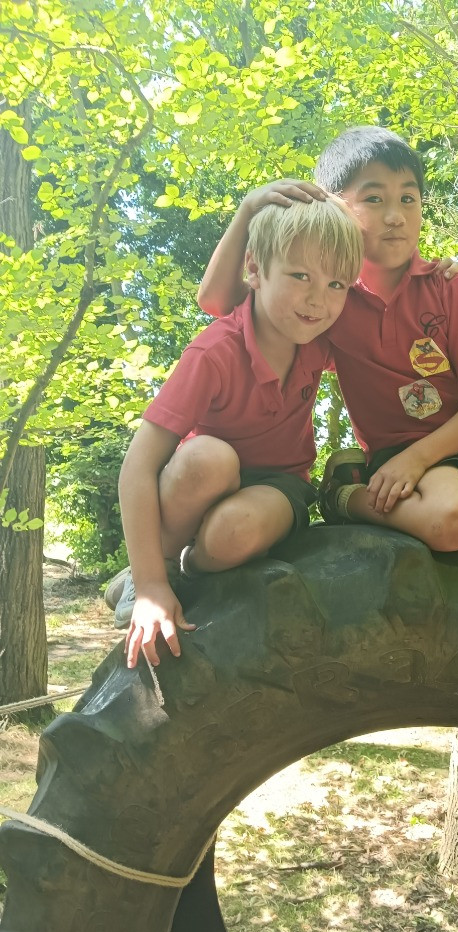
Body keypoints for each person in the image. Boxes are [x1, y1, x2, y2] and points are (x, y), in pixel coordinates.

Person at [199, 126, 458, 556]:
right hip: (397, 455)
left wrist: (422, 456)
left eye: (408, 198)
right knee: (457, 521)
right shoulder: (329, 302)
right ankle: (345, 495)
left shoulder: (453, 290)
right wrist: (248, 210)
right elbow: (218, 302)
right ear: (334, 206)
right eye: (374, 198)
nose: (395, 216)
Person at [113, 196, 363, 669]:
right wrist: (149, 586)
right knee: (208, 458)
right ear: (255, 268)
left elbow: (391, 305)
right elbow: (138, 467)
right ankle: (150, 570)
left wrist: (436, 273)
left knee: (235, 532)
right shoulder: (215, 353)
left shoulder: (320, 340)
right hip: (203, 482)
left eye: (336, 284)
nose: (318, 299)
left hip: (278, 486)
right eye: (300, 276)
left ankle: (189, 569)